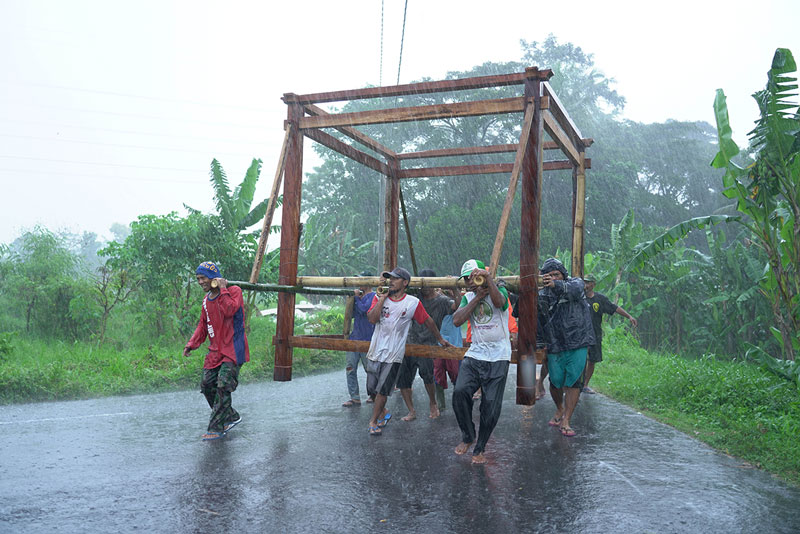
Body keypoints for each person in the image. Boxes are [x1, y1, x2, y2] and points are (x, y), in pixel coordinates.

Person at [365, 267, 452, 436]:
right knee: (371, 389)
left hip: (394, 354)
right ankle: (383, 412)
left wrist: (440, 339)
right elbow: (372, 319)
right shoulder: (379, 297)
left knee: (383, 390)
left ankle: (373, 421)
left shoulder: (412, 302)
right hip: (375, 350)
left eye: (395, 279)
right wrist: (382, 299)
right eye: (390, 278)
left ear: (405, 283)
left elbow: (428, 321)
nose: (391, 281)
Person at [451, 259, 511, 464]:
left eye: (472, 276)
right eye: (467, 279)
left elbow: (499, 303)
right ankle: (468, 436)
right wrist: (476, 298)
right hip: (475, 354)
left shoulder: (500, 289)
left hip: (499, 356)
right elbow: (457, 320)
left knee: (491, 405)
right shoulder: (468, 297)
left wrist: (489, 282)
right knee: (460, 392)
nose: (470, 281)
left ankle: (480, 447)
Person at [183, 261, 250, 441]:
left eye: (203, 278)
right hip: (215, 351)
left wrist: (223, 289)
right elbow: (203, 326)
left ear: (213, 278)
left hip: (234, 348)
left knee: (223, 385)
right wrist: (192, 344)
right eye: (198, 279)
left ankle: (216, 427)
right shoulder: (206, 301)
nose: (200, 282)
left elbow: (229, 310)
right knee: (207, 385)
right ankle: (231, 415)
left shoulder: (234, 291)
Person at [534, 258, 595, 437]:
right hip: (555, 343)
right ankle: (560, 408)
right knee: (556, 381)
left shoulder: (574, 283)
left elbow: (575, 290)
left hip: (578, 341)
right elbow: (538, 320)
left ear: (563, 274)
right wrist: (540, 344)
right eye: (549, 275)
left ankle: (567, 419)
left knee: (574, 382)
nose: (553, 277)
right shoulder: (543, 295)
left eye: (556, 274)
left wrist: (556, 285)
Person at [398, 268, 459, 421]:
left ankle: (433, 403)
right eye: (421, 285)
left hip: (428, 343)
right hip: (409, 342)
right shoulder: (414, 297)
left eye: (426, 284)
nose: (423, 288)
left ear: (433, 284)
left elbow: (457, 307)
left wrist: (454, 289)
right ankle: (411, 410)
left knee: (428, 377)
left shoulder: (442, 300)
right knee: (404, 379)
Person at [582, 274, 637, 394]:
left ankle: (585, 385)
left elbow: (614, 308)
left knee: (592, 360)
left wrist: (629, 316)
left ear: (593, 284)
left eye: (588, 282)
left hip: (595, 334)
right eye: (584, 282)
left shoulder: (600, 299)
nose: (585, 285)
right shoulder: (579, 297)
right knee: (580, 359)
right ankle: (575, 384)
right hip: (581, 335)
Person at [342, 271, 376, 407]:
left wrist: (355, 298)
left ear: (368, 282)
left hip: (368, 339)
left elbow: (365, 310)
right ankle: (354, 397)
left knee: (370, 369)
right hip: (354, 337)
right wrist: (352, 300)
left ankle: (373, 394)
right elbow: (352, 314)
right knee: (350, 368)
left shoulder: (374, 296)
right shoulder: (359, 297)